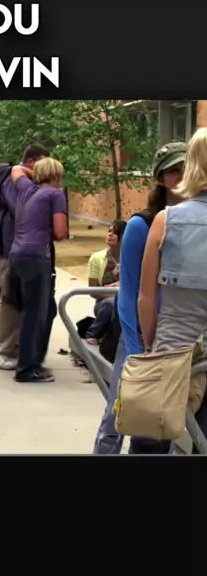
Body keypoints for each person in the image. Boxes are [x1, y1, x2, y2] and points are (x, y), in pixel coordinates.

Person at [93, 141, 187, 455]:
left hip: (180, 336)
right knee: (119, 411)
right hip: (139, 336)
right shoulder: (142, 224)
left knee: (160, 422)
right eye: (174, 171)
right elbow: (131, 291)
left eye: (187, 168)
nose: (181, 176)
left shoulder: (194, 222)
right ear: (160, 178)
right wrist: (138, 348)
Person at [138, 128, 207, 446]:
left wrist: (151, 345)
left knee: (160, 443)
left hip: (173, 353)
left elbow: (146, 296)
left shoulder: (164, 221)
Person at [0, 144, 50, 370]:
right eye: (43, 163)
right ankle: (0, 351)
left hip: (17, 247)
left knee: (20, 299)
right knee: (9, 299)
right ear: (31, 162)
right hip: (7, 247)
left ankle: (14, 348)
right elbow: (23, 210)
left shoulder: (25, 180)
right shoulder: (14, 181)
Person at [9, 158, 68, 383]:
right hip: (37, 256)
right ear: (57, 175)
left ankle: (34, 359)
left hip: (17, 254)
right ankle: (27, 368)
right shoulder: (55, 194)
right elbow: (61, 232)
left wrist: (35, 173)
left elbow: (16, 169)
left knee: (46, 309)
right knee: (35, 313)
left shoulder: (28, 189)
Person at [85, 220, 127, 345]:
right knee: (111, 304)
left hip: (127, 301)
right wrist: (115, 291)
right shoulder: (97, 258)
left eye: (115, 232)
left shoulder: (131, 258)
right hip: (104, 304)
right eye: (109, 231)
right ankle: (93, 333)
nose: (110, 234)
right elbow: (93, 291)